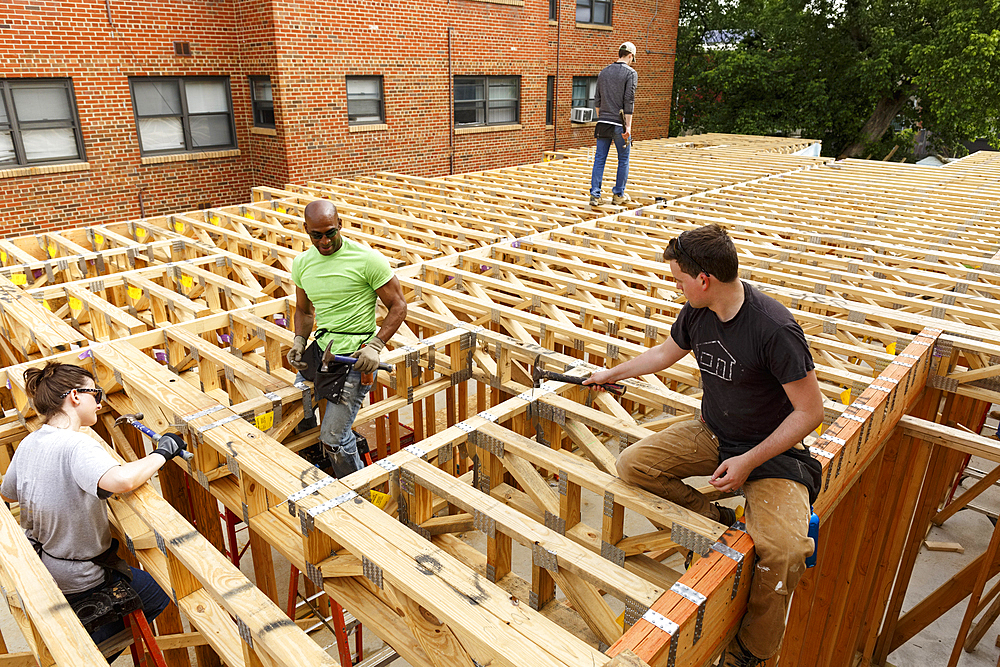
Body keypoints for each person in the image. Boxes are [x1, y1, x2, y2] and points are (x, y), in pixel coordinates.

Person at [584, 224, 824, 667]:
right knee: (633, 465)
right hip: (713, 432)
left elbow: (810, 414)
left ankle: (750, 651)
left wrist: (748, 462)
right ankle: (720, 519)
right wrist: (611, 374)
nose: (675, 286)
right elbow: (663, 354)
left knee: (785, 553)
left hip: (770, 453)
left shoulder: (773, 329)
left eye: (678, 279)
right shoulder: (697, 313)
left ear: (704, 279)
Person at [0, 362, 185, 654]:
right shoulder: (77, 445)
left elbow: (9, 493)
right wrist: (164, 452)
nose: (99, 403)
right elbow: (122, 480)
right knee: (159, 590)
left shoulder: (29, 442)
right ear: (75, 396)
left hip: (45, 563)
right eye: (95, 394)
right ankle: (95, 650)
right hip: (82, 576)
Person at [286, 199, 407, 477]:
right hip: (322, 350)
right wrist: (299, 342)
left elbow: (399, 306)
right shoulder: (303, 264)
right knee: (296, 414)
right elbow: (304, 311)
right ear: (306, 230)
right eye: (316, 235)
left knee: (334, 440)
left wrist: (376, 346)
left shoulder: (367, 259)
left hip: (355, 359)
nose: (325, 240)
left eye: (330, 231)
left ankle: (357, 490)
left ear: (340, 224)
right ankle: (317, 471)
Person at [589, 41, 638, 207]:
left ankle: (595, 195)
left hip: (603, 122)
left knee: (599, 159)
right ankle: (618, 195)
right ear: (630, 55)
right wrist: (628, 126)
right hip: (619, 123)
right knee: (623, 159)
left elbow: (597, 100)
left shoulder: (604, 72)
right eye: (633, 58)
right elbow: (628, 100)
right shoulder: (630, 73)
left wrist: (601, 116)